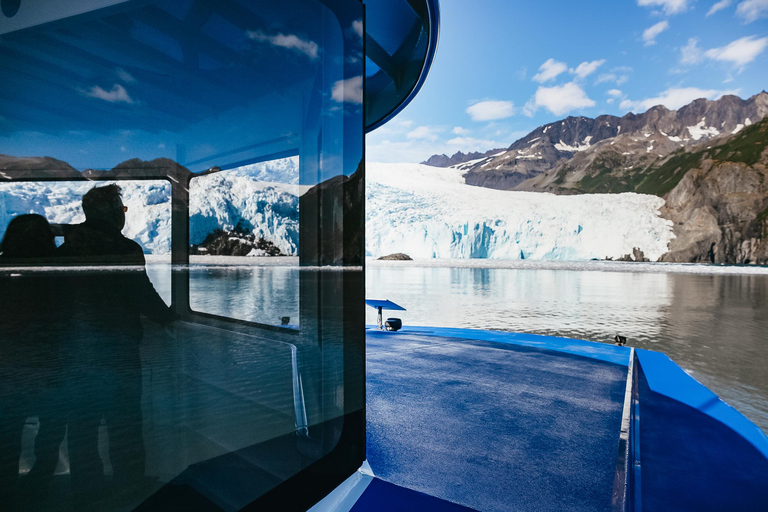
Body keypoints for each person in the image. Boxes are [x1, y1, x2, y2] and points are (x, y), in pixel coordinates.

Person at [57, 184, 175, 502]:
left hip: (75, 356)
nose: (124, 216)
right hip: (118, 353)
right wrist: (169, 320)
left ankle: (87, 492)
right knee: (123, 425)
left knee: (81, 428)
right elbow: (142, 294)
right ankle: (130, 489)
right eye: (122, 210)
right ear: (110, 213)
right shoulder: (125, 250)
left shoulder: (65, 250)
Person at [0, 214, 67, 499]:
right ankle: (40, 482)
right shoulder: (59, 267)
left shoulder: (4, 265)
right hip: (51, 363)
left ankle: (6, 487)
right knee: (51, 428)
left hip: (9, 366)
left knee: (7, 432)